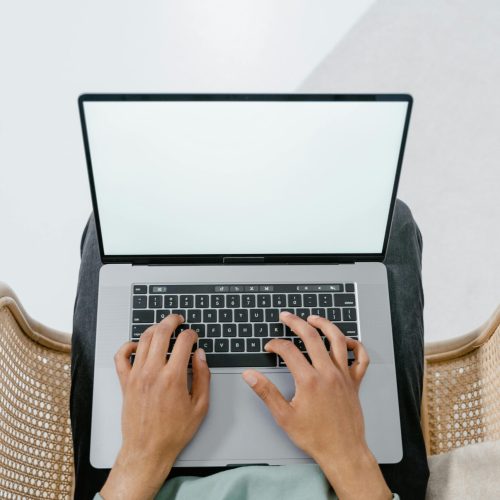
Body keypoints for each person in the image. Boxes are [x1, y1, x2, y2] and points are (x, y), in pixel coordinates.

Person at [71, 200, 429, 499]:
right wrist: (347, 452)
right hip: (353, 481)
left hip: (146, 481)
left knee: (112, 227)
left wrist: (142, 454)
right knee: (390, 220)